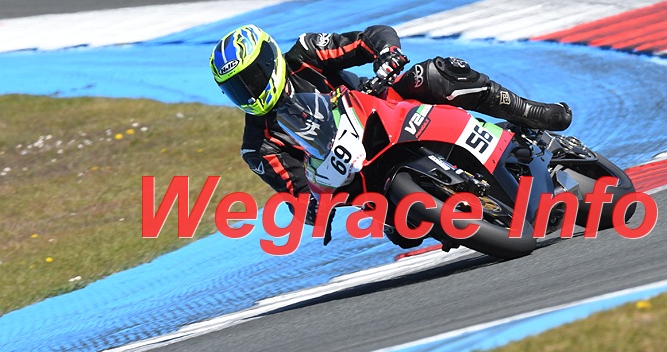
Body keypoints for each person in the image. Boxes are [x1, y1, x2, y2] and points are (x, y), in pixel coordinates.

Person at [209, 24, 572, 244]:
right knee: (402, 230)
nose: (248, 92)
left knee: (436, 74)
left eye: (251, 78)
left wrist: (386, 53)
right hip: (358, 176)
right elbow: (299, 194)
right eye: (236, 88)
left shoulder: (307, 53)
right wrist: (316, 204)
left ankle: (528, 111)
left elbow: (369, 38)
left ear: (269, 59)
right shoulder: (258, 147)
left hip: (381, 106)